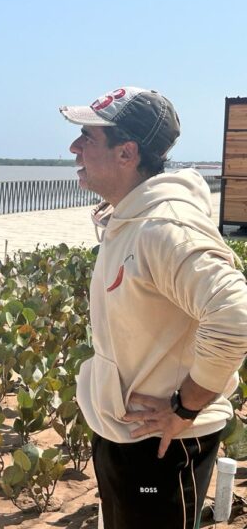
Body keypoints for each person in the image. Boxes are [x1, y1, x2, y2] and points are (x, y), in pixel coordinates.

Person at [60, 87, 247, 528]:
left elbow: (236, 314)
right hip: (128, 436)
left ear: (127, 152)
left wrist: (186, 406)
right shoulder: (131, 215)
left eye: (87, 136)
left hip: (164, 445)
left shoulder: (163, 225)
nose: (74, 148)